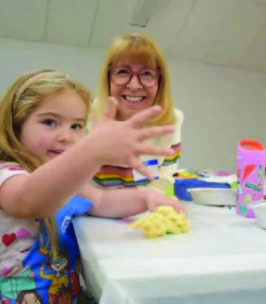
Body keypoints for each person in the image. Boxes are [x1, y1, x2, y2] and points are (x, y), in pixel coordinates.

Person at [0, 69, 186, 303]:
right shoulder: (7, 174)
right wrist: (91, 151)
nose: (66, 136)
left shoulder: (67, 182)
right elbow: (31, 200)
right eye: (50, 122)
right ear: (17, 124)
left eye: (76, 126)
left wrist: (147, 198)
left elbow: (100, 201)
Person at [92, 33, 184, 194]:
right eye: (122, 72)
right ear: (107, 78)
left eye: (147, 74)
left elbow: (165, 176)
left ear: (160, 83)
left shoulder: (172, 120)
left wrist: (141, 206)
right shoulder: (86, 115)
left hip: (141, 210)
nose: (134, 85)